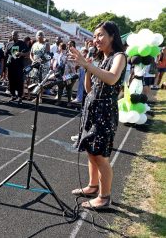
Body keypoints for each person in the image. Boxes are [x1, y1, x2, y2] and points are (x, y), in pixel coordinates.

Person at [69, 21, 126, 210]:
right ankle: (92, 186)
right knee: (91, 151)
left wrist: (88, 65)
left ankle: (104, 196)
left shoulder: (119, 56)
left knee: (101, 155)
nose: (96, 40)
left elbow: (111, 78)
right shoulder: (101, 59)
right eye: (94, 36)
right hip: (91, 109)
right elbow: (89, 89)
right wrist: (87, 69)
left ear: (112, 36)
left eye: (100, 35)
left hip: (105, 111)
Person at [5, 30, 29, 104]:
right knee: (11, 81)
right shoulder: (9, 44)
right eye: (12, 35)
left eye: (15, 35)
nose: (14, 36)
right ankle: (13, 95)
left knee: (19, 81)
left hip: (19, 66)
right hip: (10, 66)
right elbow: (6, 54)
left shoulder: (22, 43)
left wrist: (21, 54)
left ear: (18, 36)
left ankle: (19, 97)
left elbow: (28, 53)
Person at [54, 43, 77, 107]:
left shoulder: (67, 55)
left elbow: (71, 65)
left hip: (67, 75)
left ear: (60, 47)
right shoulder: (59, 55)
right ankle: (61, 101)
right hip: (63, 75)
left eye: (59, 47)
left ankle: (67, 102)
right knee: (62, 88)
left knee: (67, 88)